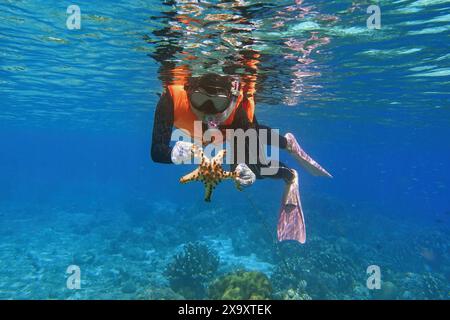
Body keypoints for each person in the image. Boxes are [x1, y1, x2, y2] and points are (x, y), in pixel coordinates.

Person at [151, 72, 331, 243]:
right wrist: (173, 154)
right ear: (188, 92)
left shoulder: (236, 110)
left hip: (237, 128)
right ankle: (288, 144)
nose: (208, 111)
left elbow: (247, 140)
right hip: (223, 131)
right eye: (200, 100)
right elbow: (157, 151)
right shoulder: (171, 99)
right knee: (248, 139)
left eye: (218, 103)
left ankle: (289, 173)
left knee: (257, 167)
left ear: (229, 99)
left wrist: (241, 168)